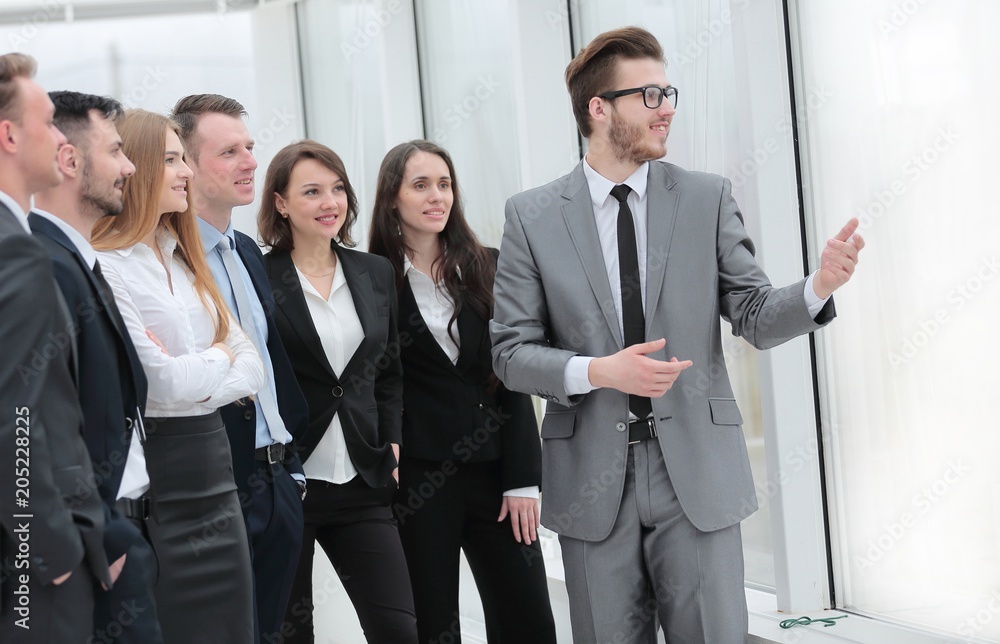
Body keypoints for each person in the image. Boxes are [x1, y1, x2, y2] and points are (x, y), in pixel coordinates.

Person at [490, 26, 864, 643]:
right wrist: (599, 371)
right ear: (599, 108)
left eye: (669, 93)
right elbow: (510, 353)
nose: (666, 108)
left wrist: (817, 287)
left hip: (696, 471)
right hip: (590, 481)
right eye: (649, 95)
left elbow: (753, 314)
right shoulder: (531, 216)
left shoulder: (705, 198)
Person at [369, 140, 557, 644]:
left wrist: (523, 479)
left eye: (444, 184)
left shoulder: (489, 266)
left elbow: (514, 375)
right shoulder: (373, 280)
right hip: (417, 480)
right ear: (392, 199)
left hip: (497, 476)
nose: (437, 196)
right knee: (431, 625)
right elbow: (376, 383)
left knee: (528, 620)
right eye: (420, 185)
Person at [92, 108, 262, 643]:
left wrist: (204, 367)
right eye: (171, 160)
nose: (186, 171)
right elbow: (159, 384)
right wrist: (220, 357)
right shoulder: (106, 265)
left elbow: (253, 368)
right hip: (159, 484)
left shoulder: (184, 259)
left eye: (184, 159)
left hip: (217, 481)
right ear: (138, 167)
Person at [258, 140, 417, 643]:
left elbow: (389, 372)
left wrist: (392, 442)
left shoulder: (374, 272)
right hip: (290, 482)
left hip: (363, 480)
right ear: (281, 203)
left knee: (397, 629)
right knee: (291, 633)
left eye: (338, 189)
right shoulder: (258, 276)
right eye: (312, 192)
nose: (330, 202)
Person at [171, 94, 308, 642]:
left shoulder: (247, 250)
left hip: (277, 481)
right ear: (185, 164)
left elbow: (274, 362)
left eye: (249, 147)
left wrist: (291, 470)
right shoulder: (166, 260)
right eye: (229, 152)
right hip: (215, 484)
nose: (250, 161)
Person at [29, 90, 163, 643]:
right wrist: (83, 544)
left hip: (126, 531)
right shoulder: (43, 267)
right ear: (69, 161)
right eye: (115, 151)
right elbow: (30, 425)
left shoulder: (78, 262)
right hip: (94, 548)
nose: (130, 167)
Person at [0, 53, 110, 643]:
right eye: (46, 123)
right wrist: (52, 548)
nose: (60, 139)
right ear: (9, 136)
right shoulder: (13, 248)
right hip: (33, 564)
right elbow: (12, 416)